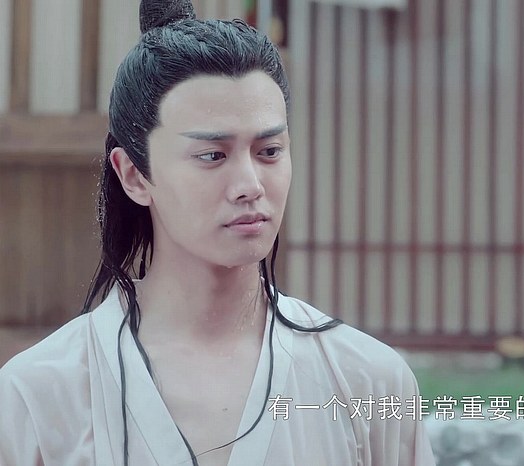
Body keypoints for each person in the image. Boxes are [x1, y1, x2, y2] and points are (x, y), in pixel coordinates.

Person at [0, 1, 435, 465]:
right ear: (133, 175)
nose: (250, 185)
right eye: (212, 156)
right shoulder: (39, 395)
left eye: (269, 151)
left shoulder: (367, 381)